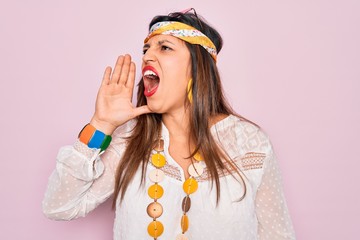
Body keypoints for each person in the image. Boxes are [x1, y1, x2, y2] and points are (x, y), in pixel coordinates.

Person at [42, 8, 296, 240]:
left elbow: (278, 235)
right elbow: (59, 206)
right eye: (146, 50)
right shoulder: (130, 139)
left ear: (198, 68)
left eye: (164, 47)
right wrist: (101, 124)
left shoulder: (251, 143)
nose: (147, 56)